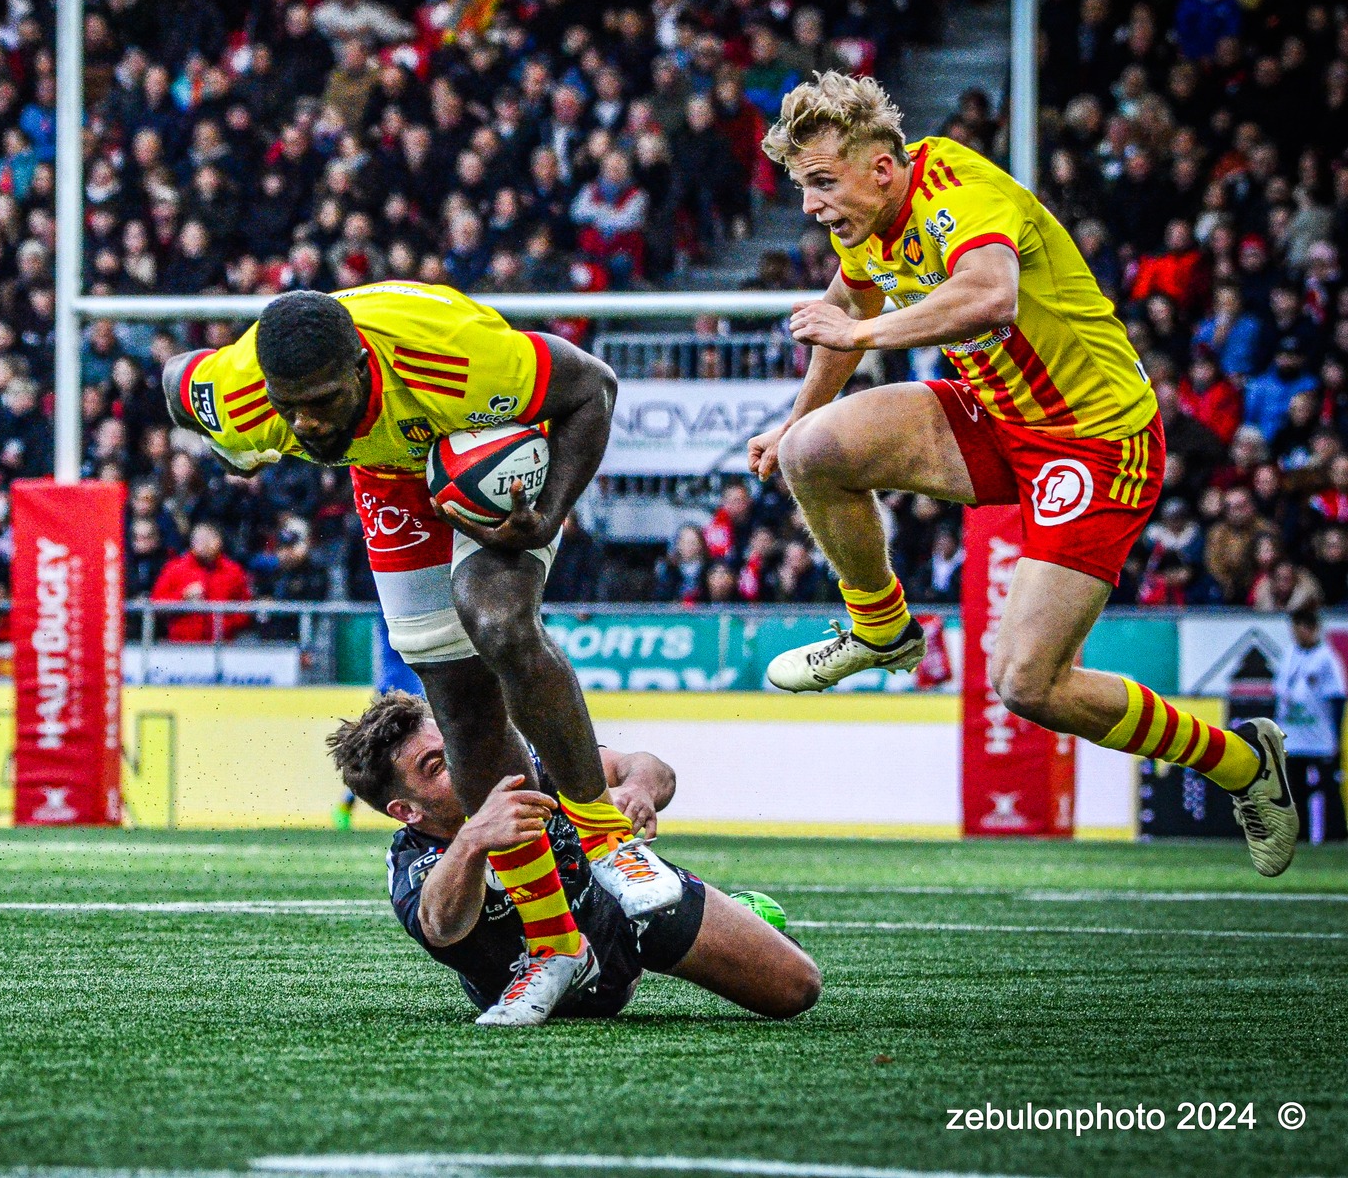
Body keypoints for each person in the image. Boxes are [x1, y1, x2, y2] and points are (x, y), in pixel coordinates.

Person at [747, 72, 1297, 877]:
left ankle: (1243, 763)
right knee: (811, 452)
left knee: (1027, 684)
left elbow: (989, 296)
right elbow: (850, 309)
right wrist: (794, 418)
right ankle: (881, 628)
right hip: (997, 415)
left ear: (882, 167)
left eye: (821, 183)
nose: (810, 205)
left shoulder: (957, 190)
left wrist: (863, 333)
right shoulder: (861, 217)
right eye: (803, 186)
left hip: (1095, 441)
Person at [163, 283, 680, 1024]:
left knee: (498, 623)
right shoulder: (239, 393)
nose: (305, 423)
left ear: (362, 366)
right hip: (389, 479)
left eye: (323, 401)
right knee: (461, 710)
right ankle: (555, 942)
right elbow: (175, 381)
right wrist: (230, 445)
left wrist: (550, 514)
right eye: (289, 407)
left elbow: (593, 387)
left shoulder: (455, 360)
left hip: (492, 445)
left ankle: (606, 842)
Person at [329, 690, 820, 1024]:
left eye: (454, 748)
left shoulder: (525, 771)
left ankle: (738, 913)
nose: (462, 764)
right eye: (437, 766)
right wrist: (474, 839)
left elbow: (645, 767)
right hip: (530, 987)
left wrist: (638, 790)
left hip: (621, 917)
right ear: (407, 811)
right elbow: (441, 926)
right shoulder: (412, 861)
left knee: (796, 989)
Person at [1273, 608, 1345, 845]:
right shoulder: (1289, 654)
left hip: (1320, 737)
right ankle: (1300, 837)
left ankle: (1334, 837)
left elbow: (1337, 698)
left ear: (1311, 628)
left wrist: (1335, 737)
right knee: (1295, 790)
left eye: (1298, 628)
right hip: (1293, 737)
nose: (1294, 634)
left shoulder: (1326, 658)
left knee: (1328, 790)